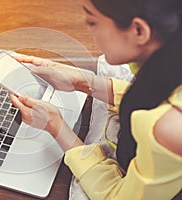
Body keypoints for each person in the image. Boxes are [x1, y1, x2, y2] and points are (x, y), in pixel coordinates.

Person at [10, 0, 182, 199]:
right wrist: (83, 82)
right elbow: (156, 96)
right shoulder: (169, 55)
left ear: (139, 31)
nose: (88, 31)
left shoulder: (171, 129)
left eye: (92, 22)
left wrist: (56, 126)